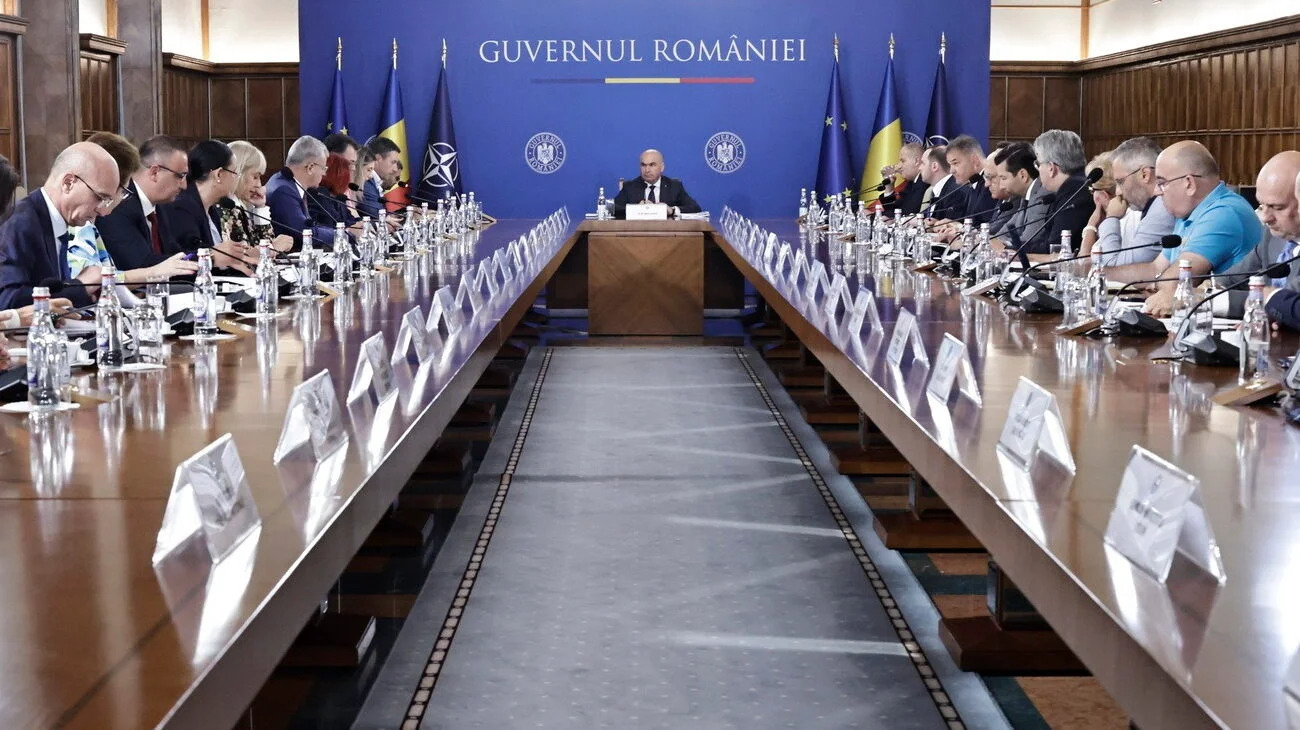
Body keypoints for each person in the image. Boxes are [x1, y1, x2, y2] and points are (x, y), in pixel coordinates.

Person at [1107, 141, 1262, 316]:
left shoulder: (1224, 213)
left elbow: (1175, 284)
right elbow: (1155, 269)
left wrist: (1157, 281)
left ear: (1189, 183)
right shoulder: (1189, 212)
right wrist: (1100, 275)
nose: (1157, 191)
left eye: (1162, 183)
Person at [0, 142, 118, 309]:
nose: (102, 211)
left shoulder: (55, 219)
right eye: (99, 197)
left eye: (107, 201)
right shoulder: (20, 224)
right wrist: (80, 286)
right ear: (68, 183)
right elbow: (7, 301)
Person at [1212, 151, 1300, 318]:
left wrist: (1211, 301)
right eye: (1261, 205)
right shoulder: (1272, 236)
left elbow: (1288, 303)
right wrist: (1206, 290)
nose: (1265, 218)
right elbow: (1232, 279)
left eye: (1277, 207)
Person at [96, 135, 192, 274]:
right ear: (155, 172)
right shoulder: (119, 204)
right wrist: (208, 258)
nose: (184, 185)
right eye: (180, 176)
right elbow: (140, 265)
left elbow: (173, 254)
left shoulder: (161, 207)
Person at [158, 139, 254, 274]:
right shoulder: (182, 208)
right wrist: (213, 256)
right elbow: (185, 258)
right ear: (219, 174)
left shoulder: (212, 209)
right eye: (234, 173)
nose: (235, 179)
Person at [1084, 137, 1176, 267]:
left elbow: (1113, 266)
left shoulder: (1162, 208)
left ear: (1145, 175)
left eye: (1120, 182)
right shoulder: (1154, 206)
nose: (1118, 192)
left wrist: (1111, 218)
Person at [217, 140, 294, 254]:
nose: (259, 184)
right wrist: (274, 248)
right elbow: (241, 256)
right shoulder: (225, 207)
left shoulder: (242, 205)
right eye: (255, 177)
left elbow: (262, 244)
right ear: (239, 174)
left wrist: (260, 208)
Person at [1023, 129, 1093, 254]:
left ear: (1051, 168)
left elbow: (1056, 248)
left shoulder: (1075, 192)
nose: (1038, 170)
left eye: (1038, 164)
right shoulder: (1073, 186)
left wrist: (1012, 250)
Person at [265, 135, 336, 251]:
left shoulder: (286, 183)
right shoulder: (283, 190)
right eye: (324, 168)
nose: (324, 174)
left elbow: (310, 226)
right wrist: (342, 234)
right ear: (310, 167)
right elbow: (305, 233)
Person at [613, 149, 701, 219]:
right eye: (643, 165)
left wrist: (672, 210)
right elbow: (612, 209)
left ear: (662, 167)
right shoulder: (630, 187)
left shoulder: (674, 186)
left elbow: (695, 208)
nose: (647, 170)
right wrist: (635, 209)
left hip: (667, 233)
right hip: (637, 232)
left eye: (652, 165)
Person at [946, 135, 994, 225]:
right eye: (950, 165)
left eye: (955, 163)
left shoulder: (991, 184)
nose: (951, 171)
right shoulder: (974, 182)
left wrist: (959, 227)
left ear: (974, 160)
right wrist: (951, 225)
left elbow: (986, 225)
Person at [307, 152, 360, 230]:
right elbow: (332, 224)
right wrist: (350, 228)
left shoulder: (338, 197)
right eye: (348, 174)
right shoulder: (319, 194)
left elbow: (350, 220)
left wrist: (364, 222)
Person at [878, 142, 926, 215]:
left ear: (916, 161)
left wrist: (873, 216)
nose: (899, 166)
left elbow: (904, 213)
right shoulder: (911, 183)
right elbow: (895, 210)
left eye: (903, 161)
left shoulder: (924, 183)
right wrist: (889, 187)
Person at [360, 136, 402, 219]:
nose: (395, 169)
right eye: (393, 162)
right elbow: (378, 216)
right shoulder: (366, 181)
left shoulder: (375, 182)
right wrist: (407, 216)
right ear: (378, 158)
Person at [919, 146, 964, 221]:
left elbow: (950, 225)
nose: (919, 168)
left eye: (923, 163)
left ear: (934, 166)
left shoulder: (955, 192)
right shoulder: (940, 189)